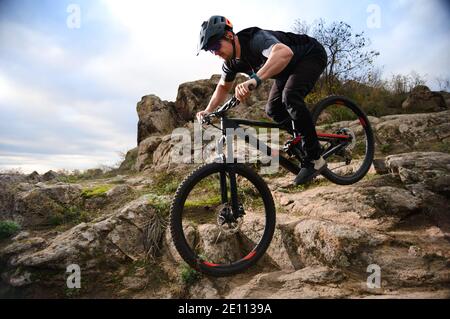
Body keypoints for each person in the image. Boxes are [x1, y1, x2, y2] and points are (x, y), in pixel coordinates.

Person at [196, 15, 328, 185]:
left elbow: (283, 53)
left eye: (215, 45)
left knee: (290, 97)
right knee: (273, 109)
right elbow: (222, 87)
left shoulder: (255, 39)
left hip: (310, 54)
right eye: (210, 50)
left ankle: (315, 158)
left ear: (229, 36)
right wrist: (208, 110)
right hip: (286, 70)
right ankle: (304, 139)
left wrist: (254, 80)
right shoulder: (230, 63)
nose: (215, 53)